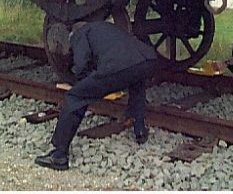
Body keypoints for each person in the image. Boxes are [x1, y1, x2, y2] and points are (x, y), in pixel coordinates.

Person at [35, 20, 159, 171]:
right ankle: (140, 130)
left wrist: (82, 84)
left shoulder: (79, 35)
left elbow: (81, 66)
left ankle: (59, 155)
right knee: (136, 82)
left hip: (118, 66)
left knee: (75, 97)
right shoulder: (103, 26)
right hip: (147, 60)